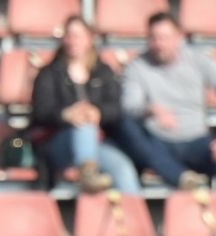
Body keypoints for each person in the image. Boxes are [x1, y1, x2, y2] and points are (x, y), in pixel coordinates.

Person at [114, 10, 216, 197]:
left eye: (164, 38)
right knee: (125, 125)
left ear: (178, 37)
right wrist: (151, 109)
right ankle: (180, 177)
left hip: (197, 140)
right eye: (154, 38)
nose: (159, 44)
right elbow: (129, 104)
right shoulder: (137, 66)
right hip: (158, 141)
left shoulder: (198, 60)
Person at [30, 16, 141, 194]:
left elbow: (116, 108)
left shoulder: (103, 71)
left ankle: (135, 217)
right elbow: (40, 111)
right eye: (70, 35)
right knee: (83, 125)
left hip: (96, 143)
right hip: (58, 143)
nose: (73, 41)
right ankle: (88, 174)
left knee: (123, 168)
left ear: (90, 39)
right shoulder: (49, 73)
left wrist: (98, 112)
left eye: (78, 35)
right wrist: (66, 114)